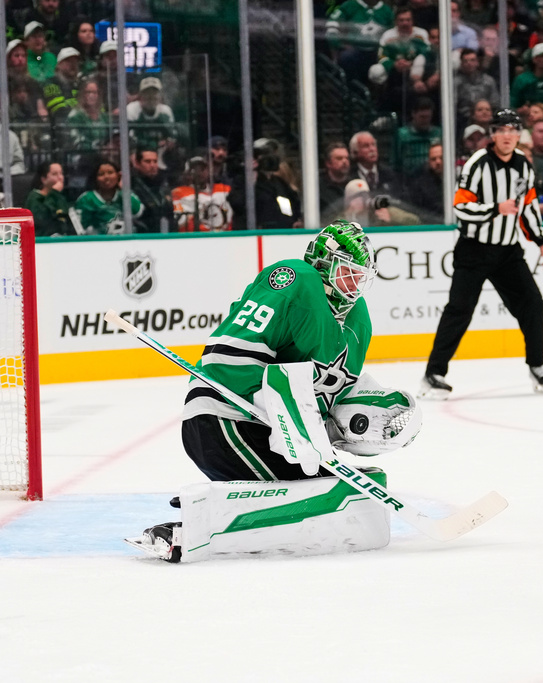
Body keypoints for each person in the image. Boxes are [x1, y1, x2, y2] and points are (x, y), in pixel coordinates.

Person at [130, 220, 421, 562]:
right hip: (224, 418)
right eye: (348, 273)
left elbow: (329, 401)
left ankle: (211, 519)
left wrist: (359, 423)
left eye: (361, 276)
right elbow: (227, 359)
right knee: (319, 499)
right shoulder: (295, 279)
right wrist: (276, 407)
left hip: (270, 434)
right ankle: (189, 531)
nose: (354, 285)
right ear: (324, 262)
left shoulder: (358, 321)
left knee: (349, 496)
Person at [420, 109, 543, 398]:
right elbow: (460, 207)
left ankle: (537, 364)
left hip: (508, 252)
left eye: (512, 130)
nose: (507, 136)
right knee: (459, 310)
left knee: (532, 303)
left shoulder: (523, 165)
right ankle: (434, 373)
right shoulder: (477, 164)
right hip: (474, 250)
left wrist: (541, 243)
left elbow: (529, 207)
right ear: (493, 134)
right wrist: (496, 209)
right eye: (501, 130)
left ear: (519, 135)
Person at [74, 160, 143, 234]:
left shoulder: (125, 194)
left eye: (110, 173)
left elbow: (137, 213)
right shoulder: (87, 199)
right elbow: (81, 228)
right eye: (101, 174)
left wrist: (124, 190)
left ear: (118, 175)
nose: (106, 177)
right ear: (95, 178)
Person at [126, 77, 179, 171]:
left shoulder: (165, 111)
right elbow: (130, 137)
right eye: (147, 93)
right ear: (140, 95)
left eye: (154, 92)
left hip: (161, 152)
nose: (151, 96)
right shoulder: (132, 109)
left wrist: (167, 142)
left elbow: (172, 136)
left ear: (160, 95)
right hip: (139, 152)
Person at [172, 156, 234, 231]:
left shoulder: (224, 189)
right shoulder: (179, 193)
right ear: (187, 174)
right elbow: (181, 223)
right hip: (197, 236)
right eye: (194, 170)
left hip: (226, 236)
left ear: (208, 171)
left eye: (202, 169)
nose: (199, 173)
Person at [393, 97, 441, 179]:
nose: (425, 120)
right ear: (413, 114)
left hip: (434, 177)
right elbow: (395, 162)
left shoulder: (439, 133)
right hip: (408, 178)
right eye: (422, 117)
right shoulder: (402, 135)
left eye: (428, 117)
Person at [131, 148, 174, 233]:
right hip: (143, 234)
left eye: (155, 161)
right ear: (137, 164)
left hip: (167, 233)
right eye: (147, 161)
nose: (152, 165)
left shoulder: (163, 182)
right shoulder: (132, 184)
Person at [24, 161, 73, 236]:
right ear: (43, 179)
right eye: (54, 174)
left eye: (61, 173)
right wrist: (54, 193)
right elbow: (42, 221)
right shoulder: (34, 197)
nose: (60, 177)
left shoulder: (60, 197)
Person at [406, 142, 445, 222]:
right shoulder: (421, 185)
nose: (438, 162)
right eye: (433, 159)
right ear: (429, 162)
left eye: (441, 158)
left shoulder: (458, 178)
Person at [320, 141, 353, 223]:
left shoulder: (354, 184)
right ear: (328, 163)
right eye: (339, 158)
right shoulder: (318, 188)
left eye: (347, 158)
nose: (344, 161)